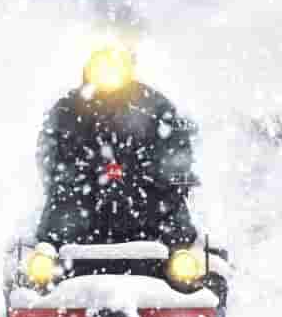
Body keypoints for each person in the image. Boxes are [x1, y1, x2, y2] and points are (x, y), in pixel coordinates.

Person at [36, 43, 198, 246]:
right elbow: (49, 158)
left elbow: (177, 156)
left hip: (152, 217)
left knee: (185, 248)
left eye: (114, 63)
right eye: (102, 63)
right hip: (76, 217)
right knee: (46, 249)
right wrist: (71, 182)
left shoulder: (156, 106)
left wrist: (162, 181)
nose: (108, 71)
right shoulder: (66, 110)